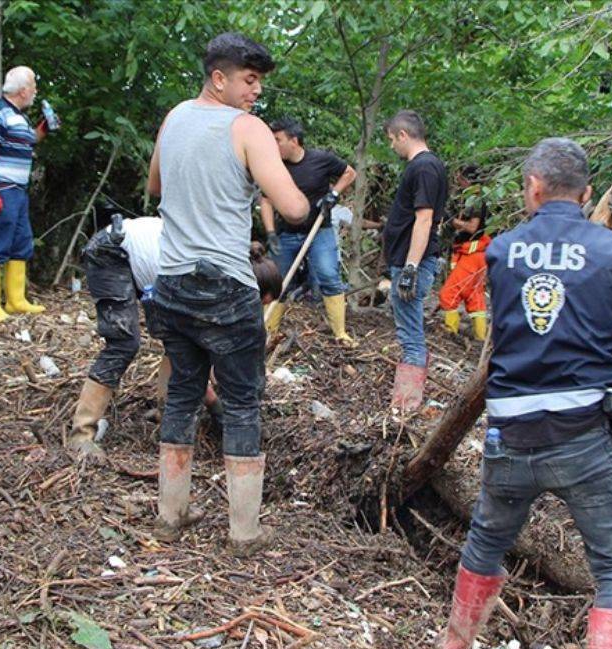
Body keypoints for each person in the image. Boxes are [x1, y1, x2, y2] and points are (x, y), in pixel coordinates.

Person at [432, 138, 612, 649]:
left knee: (486, 542)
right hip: (589, 436)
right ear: (587, 193)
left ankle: (450, 648)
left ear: (533, 188)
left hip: (511, 433)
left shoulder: (500, 249)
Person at [146, 32, 308, 555]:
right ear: (220, 77)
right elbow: (294, 209)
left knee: (183, 394)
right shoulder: (248, 129)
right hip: (224, 285)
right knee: (241, 404)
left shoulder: (173, 119)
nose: (256, 91)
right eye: (249, 80)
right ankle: (244, 533)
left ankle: (170, 516)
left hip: (171, 284)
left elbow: (155, 187)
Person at [68, 217, 283, 462]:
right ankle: (81, 434)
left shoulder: (223, 265)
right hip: (113, 252)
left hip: (148, 264)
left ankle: (165, 413)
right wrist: (214, 403)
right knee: (123, 343)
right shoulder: (208, 278)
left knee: (179, 339)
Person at [260, 118, 359, 345]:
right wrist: (271, 233)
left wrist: (333, 195)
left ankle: (340, 334)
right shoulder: (274, 166)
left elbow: (349, 173)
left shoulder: (321, 160)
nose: (274, 146)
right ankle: (269, 333)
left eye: (278, 140)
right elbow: (265, 201)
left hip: (319, 232)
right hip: (285, 233)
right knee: (279, 283)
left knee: (328, 275)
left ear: (294, 140)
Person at [382, 110, 447, 411]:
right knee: (410, 330)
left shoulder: (423, 168)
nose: (392, 146)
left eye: (393, 140)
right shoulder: (427, 167)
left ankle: (406, 405)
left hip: (414, 262)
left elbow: (424, 219)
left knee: (410, 334)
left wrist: (410, 267)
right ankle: (409, 398)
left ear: (403, 135)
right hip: (409, 259)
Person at [0, 65, 50, 322]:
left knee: (21, 243)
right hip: (1, 190)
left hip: (18, 191)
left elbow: (28, 141)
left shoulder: (17, 116)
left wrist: (44, 129)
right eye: (33, 85)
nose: (35, 91)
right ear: (23, 89)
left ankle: (16, 301)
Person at [439, 166, 491, 340]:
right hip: (476, 253)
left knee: (449, 293)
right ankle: (480, 338)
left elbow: (472, 227)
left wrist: (451, 221)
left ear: (466, 180)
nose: (458, 181)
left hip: (472, 253)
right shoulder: (475, 198)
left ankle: (450, 334)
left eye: (460, 178)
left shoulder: (475, 200)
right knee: (474, 296)